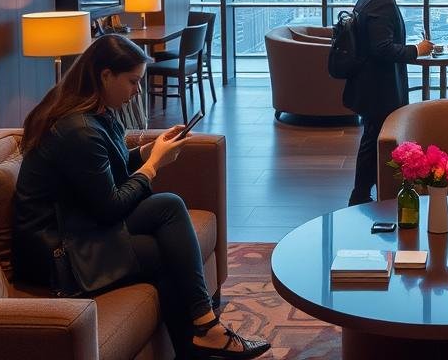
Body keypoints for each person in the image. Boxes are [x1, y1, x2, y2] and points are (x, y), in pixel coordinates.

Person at [13, 35, 270, 360]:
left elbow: (106, 170)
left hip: (79, 224)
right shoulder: (78, 129)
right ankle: (205, 333)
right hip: (59, 252)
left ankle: (204, 334)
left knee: (168, 207)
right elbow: (110, 208)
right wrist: (153, 165)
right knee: (166, 247)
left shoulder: (93, 113)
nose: (138, 91)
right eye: (133, 81)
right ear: (105, 75)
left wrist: (149, 150)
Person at [343, 0, 434, 205]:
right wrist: (418, 49)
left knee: (373, 140)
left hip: (373, 87)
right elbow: (381, 48)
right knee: (373, 142)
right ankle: (361, 196)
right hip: (377, 89)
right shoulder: (382, 0)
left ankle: (369, 193)